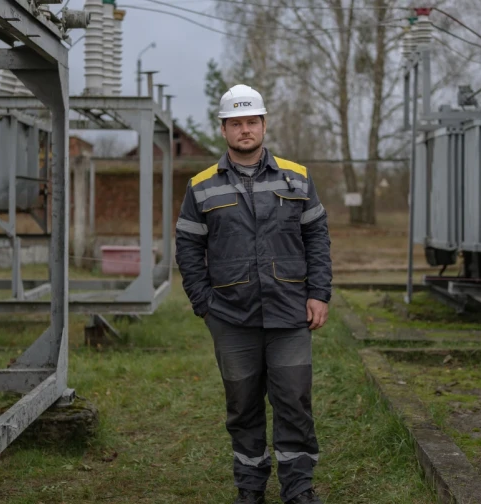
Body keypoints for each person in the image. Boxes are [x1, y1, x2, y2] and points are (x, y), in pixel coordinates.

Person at [174, 84, 333, 504]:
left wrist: (319, 293)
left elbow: (317, 236)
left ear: (263, 125)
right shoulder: (202, 186)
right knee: (242, 406)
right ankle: (250, 488)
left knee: (294, 402)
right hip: (231, 318)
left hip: (289, 315)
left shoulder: (295, 177)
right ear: (224, 130)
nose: (245, 130)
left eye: (252, 122)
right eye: (236, 123)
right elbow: (187, 246)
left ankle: (298, 488)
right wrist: (204, 302)